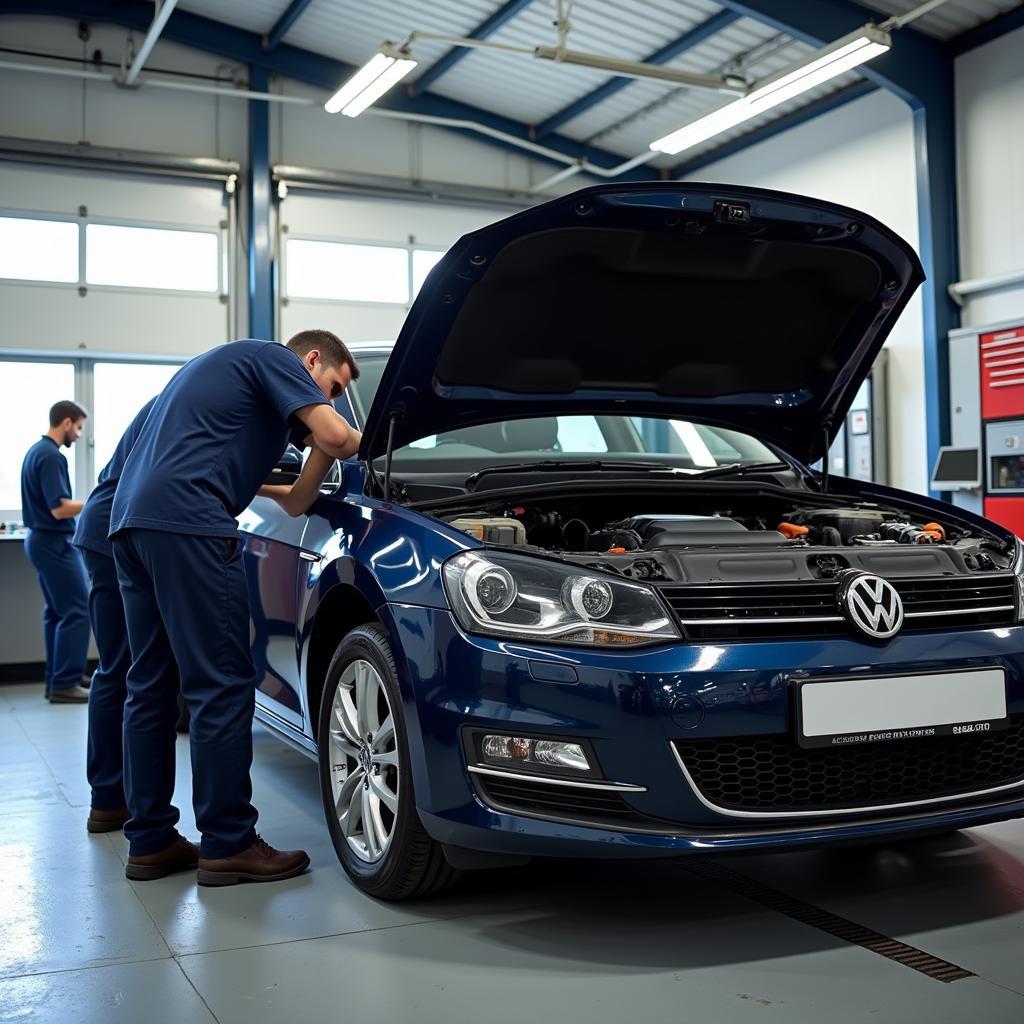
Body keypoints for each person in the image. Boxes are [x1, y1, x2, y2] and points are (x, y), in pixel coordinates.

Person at [110, 331, 361, 884]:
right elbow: (341, 439)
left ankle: (149, 842)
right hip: (190, 525)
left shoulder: (235, 392)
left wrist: (316, 445)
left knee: (151, 685)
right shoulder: (271, 357)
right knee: (221, 683)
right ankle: (229, 842)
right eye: (334, 385)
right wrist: (359, 436)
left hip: (132, 524)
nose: (333, 398)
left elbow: (297, 499)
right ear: (312, 360)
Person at [73, 397, 158, 834]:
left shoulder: (181, 400)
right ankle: (108, 797)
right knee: (121, 668)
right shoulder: (196, 405)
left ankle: (108, 799)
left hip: (110, 527)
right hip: (114, 531)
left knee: (118, 668)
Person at [21, 400, 91, 704]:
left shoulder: (35, 451)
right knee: (79, 609)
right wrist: (97, 502)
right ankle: (65, 681)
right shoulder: (51, 456)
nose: (77, 435)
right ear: (66, 423)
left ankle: (59, 677)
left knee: (57, 613)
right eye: (77, 428)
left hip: (39, 540)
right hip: (54, 542)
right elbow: (60, 508)